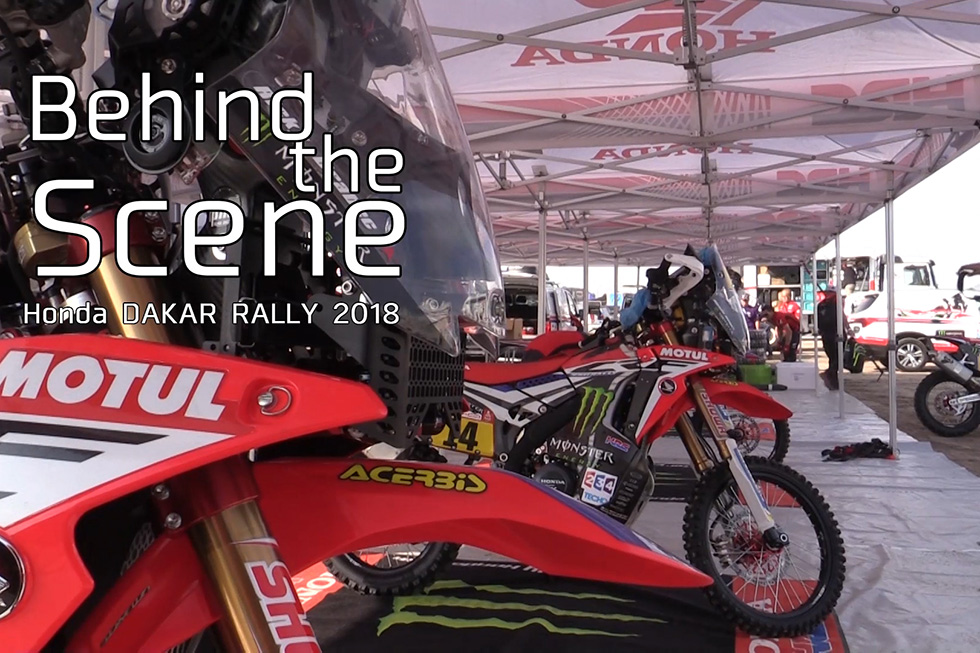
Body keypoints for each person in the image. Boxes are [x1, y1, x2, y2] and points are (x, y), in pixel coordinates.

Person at [816, 290, 850, 390]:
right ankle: (830, 375)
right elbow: (842, 317)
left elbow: (817, 321)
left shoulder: (820, 305)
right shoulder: (836, 305)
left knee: (832, 357)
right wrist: (848, 328)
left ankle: (833, 380)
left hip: (826, 334)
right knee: (838, 357)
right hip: (836, 333)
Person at [773, 289, 802, 361]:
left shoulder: (795, 306)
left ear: (789, 296)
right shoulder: (781, 306)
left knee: (791, 351)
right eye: (782, 296)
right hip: (784, 332)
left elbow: (798, 319)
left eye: (786, 296)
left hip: (793, 331)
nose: (784, 298)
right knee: (783, 351)